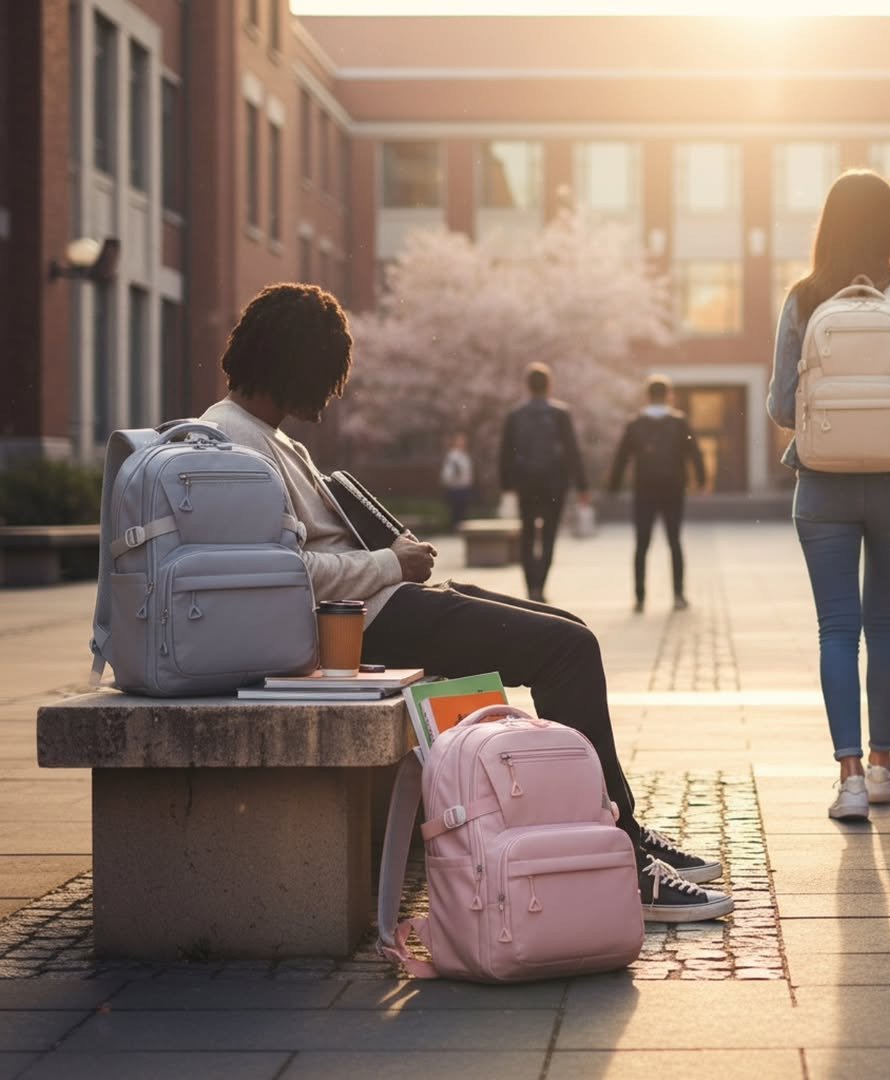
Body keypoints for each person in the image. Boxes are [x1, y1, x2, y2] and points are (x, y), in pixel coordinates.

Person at [201, 282, 733, 922]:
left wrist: (390, 555)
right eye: (326, 377)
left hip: (384, 602)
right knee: (568, 651)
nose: (329, 397)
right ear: (297, 366)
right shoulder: (233, 448)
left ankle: (619, 821)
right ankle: (619, 860)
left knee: (566, 627)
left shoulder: (266, 436)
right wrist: (387, 562)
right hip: (359, 624)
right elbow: (281, 574)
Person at [767, 170, 890, 822]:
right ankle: (882, 765)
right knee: (885, 623)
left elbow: (779, 408)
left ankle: (846, 776)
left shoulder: (802, 299)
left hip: (822, 487)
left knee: (837, 629)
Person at [609, 374, 706, 613]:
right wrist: (700, 480)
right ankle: (678, 595)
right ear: (669, 395)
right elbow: (695, 453)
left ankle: (640, 597)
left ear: (647, 396)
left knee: (642, 543)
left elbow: (622, 457)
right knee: (674, 540)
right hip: (673, 487)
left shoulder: (636, 423)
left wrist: (614, 486)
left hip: (644, 488)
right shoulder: (679, 422)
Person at [498, 363, 589, 603]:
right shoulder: (560, 414)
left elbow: (506, 453)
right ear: (549, 385)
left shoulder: (515, 416)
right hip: (554, 483)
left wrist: (507, 485)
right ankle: (540, 584)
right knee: (549, 535)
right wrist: (582, 485)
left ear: (527, 386)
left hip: (526, 483)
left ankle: (530, 587)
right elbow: (572, 452)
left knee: (528, 534)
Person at [439, 431, 473, 529]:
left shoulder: (465, 455)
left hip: (465, 487)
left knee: (463, 511)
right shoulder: (453, 456)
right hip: (456, 488)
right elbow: (447, 473)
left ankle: (461, 529)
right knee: (456, 511)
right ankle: (455, 529)